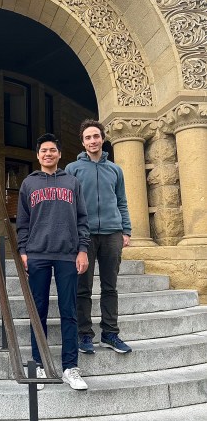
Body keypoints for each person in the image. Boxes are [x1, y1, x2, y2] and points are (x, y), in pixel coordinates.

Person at [16, 133, 90, 391]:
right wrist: (23, 251)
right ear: (38, 156)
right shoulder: (29, 183)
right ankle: (39, 364)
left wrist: (82, 249)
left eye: (52, 150)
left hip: (67, 254)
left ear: (59, 154)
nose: (48, 154)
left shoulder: (72, 182)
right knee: (39, 312)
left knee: (69, 311)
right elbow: (22, 222)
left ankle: (70, 367)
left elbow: (82, 218)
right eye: (44, 150)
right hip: (37, 254)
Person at [66, 119, 132, 355]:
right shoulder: (73, 170)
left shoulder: (115, 170)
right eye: (88, 138)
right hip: (84, 235)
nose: (92, 141)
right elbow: (68, 204)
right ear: (82, 143)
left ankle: (110, 333)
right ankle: (84, 335)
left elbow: (122, 201)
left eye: (96, 136)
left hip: (112, 233)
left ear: (103, 139)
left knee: (110, 286)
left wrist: (126, 230)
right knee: (83, 287)